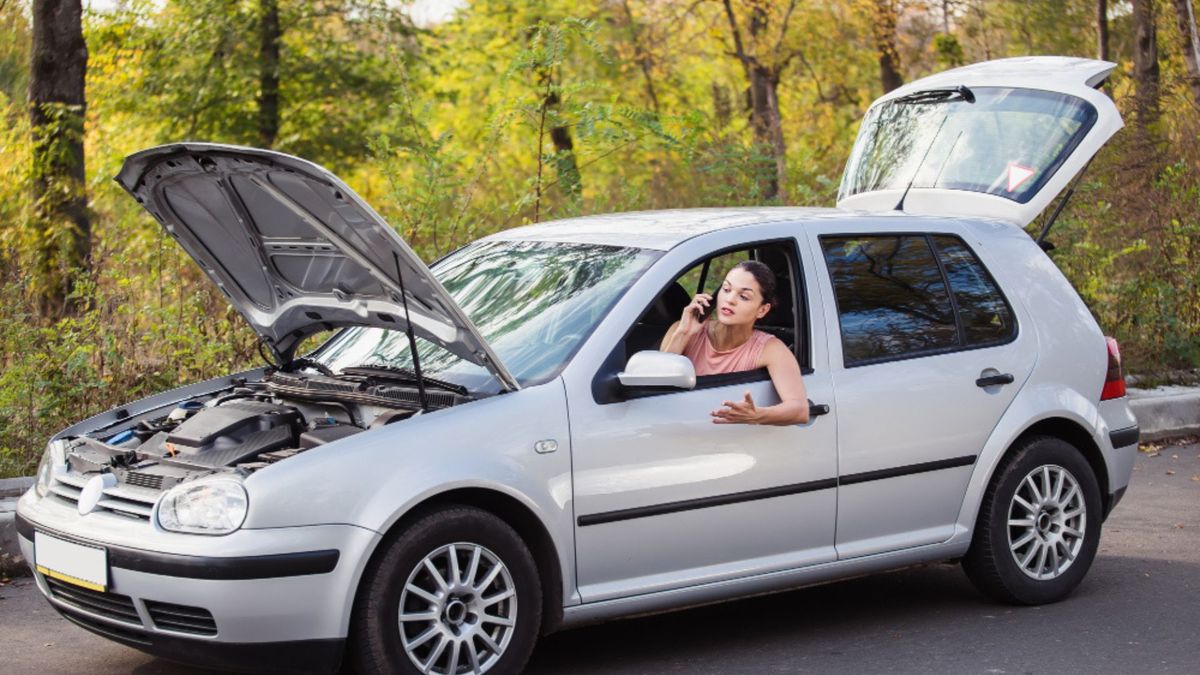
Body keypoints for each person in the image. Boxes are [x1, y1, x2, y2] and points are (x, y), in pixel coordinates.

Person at [660, 260, 809, 426]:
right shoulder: (681, 330)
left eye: (743, 296)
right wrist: (683, 334)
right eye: (726, 289)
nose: (730, 299)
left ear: (762, 310)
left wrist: (757, 415)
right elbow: (652, 389)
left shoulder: (770, 349)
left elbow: (800, 410)